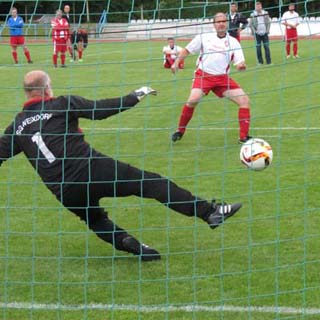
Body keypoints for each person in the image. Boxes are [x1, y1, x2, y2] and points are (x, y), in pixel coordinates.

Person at [0, 70, 242, 261]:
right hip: (91, 169)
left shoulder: (17, 126)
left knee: (96, 221)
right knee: (151, 183)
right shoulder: (62, 103)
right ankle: (209, 212)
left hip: (63, 190)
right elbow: (101, 110)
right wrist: (135, 95)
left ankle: (132, 245)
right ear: (47, 87)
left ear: (26, 93)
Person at [170, 12, 251, 144]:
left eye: (224, 21)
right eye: (218, 22)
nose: (221, 24)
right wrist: (176, 62)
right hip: (204, 76)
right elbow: (186, 50)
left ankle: (244, 137)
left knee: (244, 101)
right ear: (214, 24)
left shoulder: (233, 42)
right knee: (193, 100)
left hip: (222, 79)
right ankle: (180, 131)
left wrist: (241, 66)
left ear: (227, 23)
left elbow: (239, 62)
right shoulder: (204, 37)